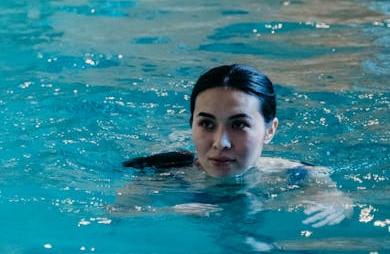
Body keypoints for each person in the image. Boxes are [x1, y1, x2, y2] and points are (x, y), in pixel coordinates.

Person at [118, 63, 352, 227]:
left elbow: (336, 199)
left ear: (270, 130)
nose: (221, 143)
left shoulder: (299, 175)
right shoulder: (160, 176)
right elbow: (118, 216)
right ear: (191, 125)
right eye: (206, 124)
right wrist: (167, 214)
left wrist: (336, 203)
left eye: (239, 125)